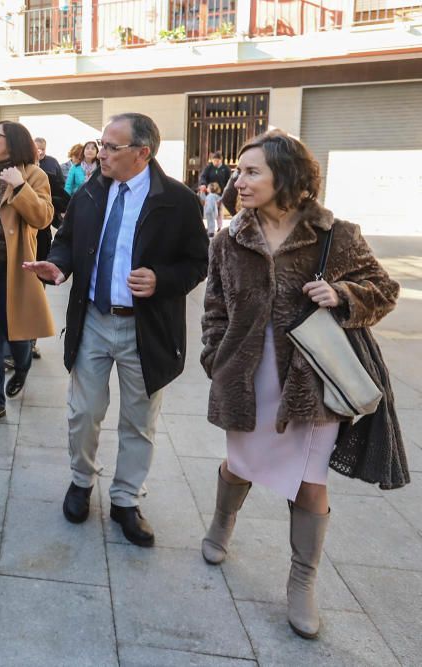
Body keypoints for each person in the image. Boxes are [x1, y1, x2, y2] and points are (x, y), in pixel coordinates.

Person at [200, 130, 399, 639]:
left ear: (284, 177)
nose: (236, 181)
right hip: (245, 376)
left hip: (310, 382)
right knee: (241, 462)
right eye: (238, 171)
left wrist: (342, 293)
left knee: (310, 481)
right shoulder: (229, 239)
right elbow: (215, 308)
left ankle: (302, 583)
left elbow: (384, 289)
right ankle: (223, 522)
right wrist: (214, 358)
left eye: (251, 172)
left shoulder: (336, 234)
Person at [24, 113, 208, 547]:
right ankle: (81, 481)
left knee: (139, 420)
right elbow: (68, 240)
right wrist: (60, 265)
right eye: (100, 144)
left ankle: (126, 499)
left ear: (142, 153)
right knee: (83, 412)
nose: (99, 153)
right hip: (92, 321)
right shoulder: (90, 191)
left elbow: (197, 263)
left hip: (145, 328)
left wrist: (162, 280)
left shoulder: (177, 201)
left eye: (111, 147)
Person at [0, 120, 55, 428]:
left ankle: (22, 365)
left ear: (13, 141)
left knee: (17, 331)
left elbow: (43, 218)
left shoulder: (34, 174)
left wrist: (19, 185)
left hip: (16, 266)